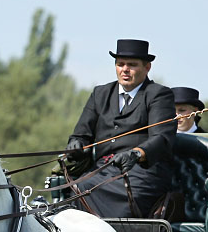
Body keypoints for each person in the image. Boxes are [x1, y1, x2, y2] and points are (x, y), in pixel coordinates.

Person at [66, 39, 176, 218]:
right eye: (120, 64)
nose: (125, 69)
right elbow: (81, 135)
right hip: (102, 170)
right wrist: (75, 146)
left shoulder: (158, 94)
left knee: (104, 192)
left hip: (141, 173)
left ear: (147, 67)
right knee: (80, 188)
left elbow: (162, 139)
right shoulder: (100, 94)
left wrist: (136, 153)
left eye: (132, 65)